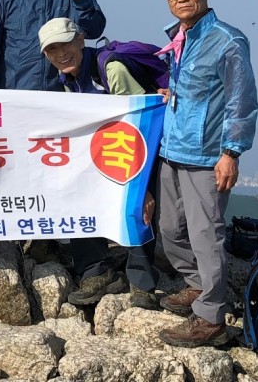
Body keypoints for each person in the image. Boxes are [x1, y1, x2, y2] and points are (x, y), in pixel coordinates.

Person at [153, 0, 257, 348]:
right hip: (172, 148)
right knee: (169, 228)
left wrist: (231, 152)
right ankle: (197, 284)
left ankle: (211, 316)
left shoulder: (228, 40)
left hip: (206, 155)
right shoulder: (180, 37)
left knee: (205, 233)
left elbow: (241, 102)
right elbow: (197, 90)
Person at [38, 18, 159, 309]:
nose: (60, 53)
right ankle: (96, 271)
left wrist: (142, 184)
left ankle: (142, 282)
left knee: (137, 205)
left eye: (66, 44)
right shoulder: (68, 78)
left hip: (140, 146)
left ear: (81, 40)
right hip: (105, 147)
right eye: (52, 49)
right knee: (79, 193)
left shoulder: (110, 69)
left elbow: (141, 121)